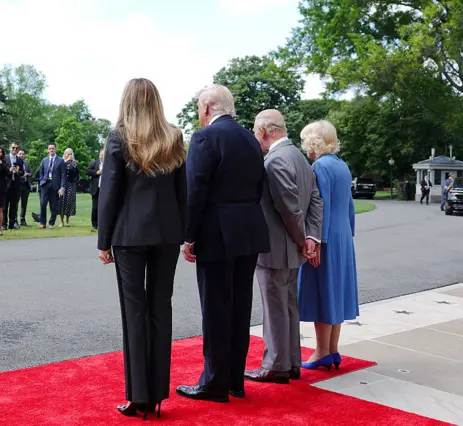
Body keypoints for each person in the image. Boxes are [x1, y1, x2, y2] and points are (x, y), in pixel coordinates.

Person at [98, 78, 186, 419]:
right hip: (167, 235)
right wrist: (185, 232)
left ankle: (139, 396)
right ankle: (158, 395)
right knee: (161, 309)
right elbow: (183, 192)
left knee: (134, 313)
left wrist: (103, 241)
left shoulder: (120, 136)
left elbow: (110, 195)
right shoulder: (174, 136)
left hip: (130, 236)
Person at [175, 84, 269, 403]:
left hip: (216, 232)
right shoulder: (250, 139)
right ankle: (234, 381)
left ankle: (214, 382)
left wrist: (188, 236)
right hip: (249, 231)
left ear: (207, 107)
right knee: (239, 308)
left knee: (216, 308)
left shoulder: (205, 138)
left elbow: (195, 190)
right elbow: (259, 185)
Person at [243, 109, 323, 385]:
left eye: (256, 132)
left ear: (265, 131)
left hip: (276, 248)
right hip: (293, 249)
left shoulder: (274, 161)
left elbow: (288, 209)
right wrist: (311, 238)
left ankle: (275, 365)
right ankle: (290, 362)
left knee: (275, 307)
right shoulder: (300, 159)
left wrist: (303, 239)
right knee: (289, 306)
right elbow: (315, 200)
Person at [297, 120, 359, 371]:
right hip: (343, 236)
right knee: (335, 292)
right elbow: (350, 207)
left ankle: (322, 352)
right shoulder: (342, 165)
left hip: (327, 237)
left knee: (323, 293)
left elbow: (318, 207)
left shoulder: (320, 165)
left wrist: (317, 242)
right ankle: (332, 350)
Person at [37, 143, 66, 229]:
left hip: (55, 185)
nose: (51, 150)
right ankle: (42, 222)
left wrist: (62, 187)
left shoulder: (60, 160)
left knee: (54, 206)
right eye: (50, 149)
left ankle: (51, 223)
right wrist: (42, 180)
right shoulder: (44, 160)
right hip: (45, 185)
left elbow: (63, 175)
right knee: (43, 204)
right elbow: (40, 172)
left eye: (53, 148)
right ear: (48, 150)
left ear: (55, 149)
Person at [3, 142, 25, 230]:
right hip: (6, 185)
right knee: (4, 206)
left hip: (15, 185)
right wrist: (9, 170)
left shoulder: (20, 160)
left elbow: (22, 172)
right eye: (13, 148)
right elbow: (2, 171)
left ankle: (12, 224)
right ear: (9, 148)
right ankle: (4, 224)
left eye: (16, 148)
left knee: (14, 206)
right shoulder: (5, 158)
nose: (14, 150)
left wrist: (17, 171)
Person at [59, 148, 79, 227]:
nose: (69, 155)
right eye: (67, 154)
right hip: (62, 184)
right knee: (62, 202)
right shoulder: (61, 161)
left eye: (70, 154)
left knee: (69, 202)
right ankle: (61, 221)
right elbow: (59, 168)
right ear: (65, 154)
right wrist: (66, 160)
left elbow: (76, 172)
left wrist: (72, 163)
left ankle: (67, 221)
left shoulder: (74, 163)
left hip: (71, 184)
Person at [86, 149, 104, 231]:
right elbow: (88, 171)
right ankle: (94, 224)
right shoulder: (94, 163)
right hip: (96, 189)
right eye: (101, 155)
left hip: (105, 189)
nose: (102, 156)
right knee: (95, 207)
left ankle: (102, 224)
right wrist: (97, 173)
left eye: (103, 155)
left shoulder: (109, 164)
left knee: (103, 207)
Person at [17, 148, 31, 227]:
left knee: (24, 204)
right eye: (20, 154)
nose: (21, 155)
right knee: (15, 204)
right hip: (18, 185)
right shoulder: (15, 163)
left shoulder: (26, 163)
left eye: (23, 154)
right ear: (17, 154)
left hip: (25, 186)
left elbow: (30, 173)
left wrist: (27, 174)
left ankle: (22, 220)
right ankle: (14, 220)